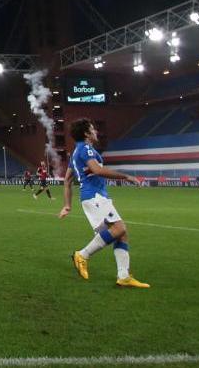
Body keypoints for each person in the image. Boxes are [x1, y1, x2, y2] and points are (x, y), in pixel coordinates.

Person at [59, 118, 149, 288]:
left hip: (93, 197)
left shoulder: (77, 152)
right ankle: (82, 255)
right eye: (92, 129)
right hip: (95, 197)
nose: (96, 132)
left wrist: (67, 205)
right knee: (119, 228)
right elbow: (97, 170)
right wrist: (126, 176)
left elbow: (67, 181)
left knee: (121, 234)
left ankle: (123, 276)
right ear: (86, 133)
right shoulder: (86, 149)